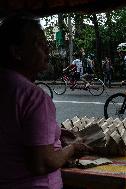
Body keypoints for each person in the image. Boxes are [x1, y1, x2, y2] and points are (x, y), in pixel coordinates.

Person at [0, 15, 91, 189]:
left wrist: (55, 132)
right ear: (17, 52)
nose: (47, 50)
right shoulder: (33, 96)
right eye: (40, 44)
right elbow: (43, 163)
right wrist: (73, 148)